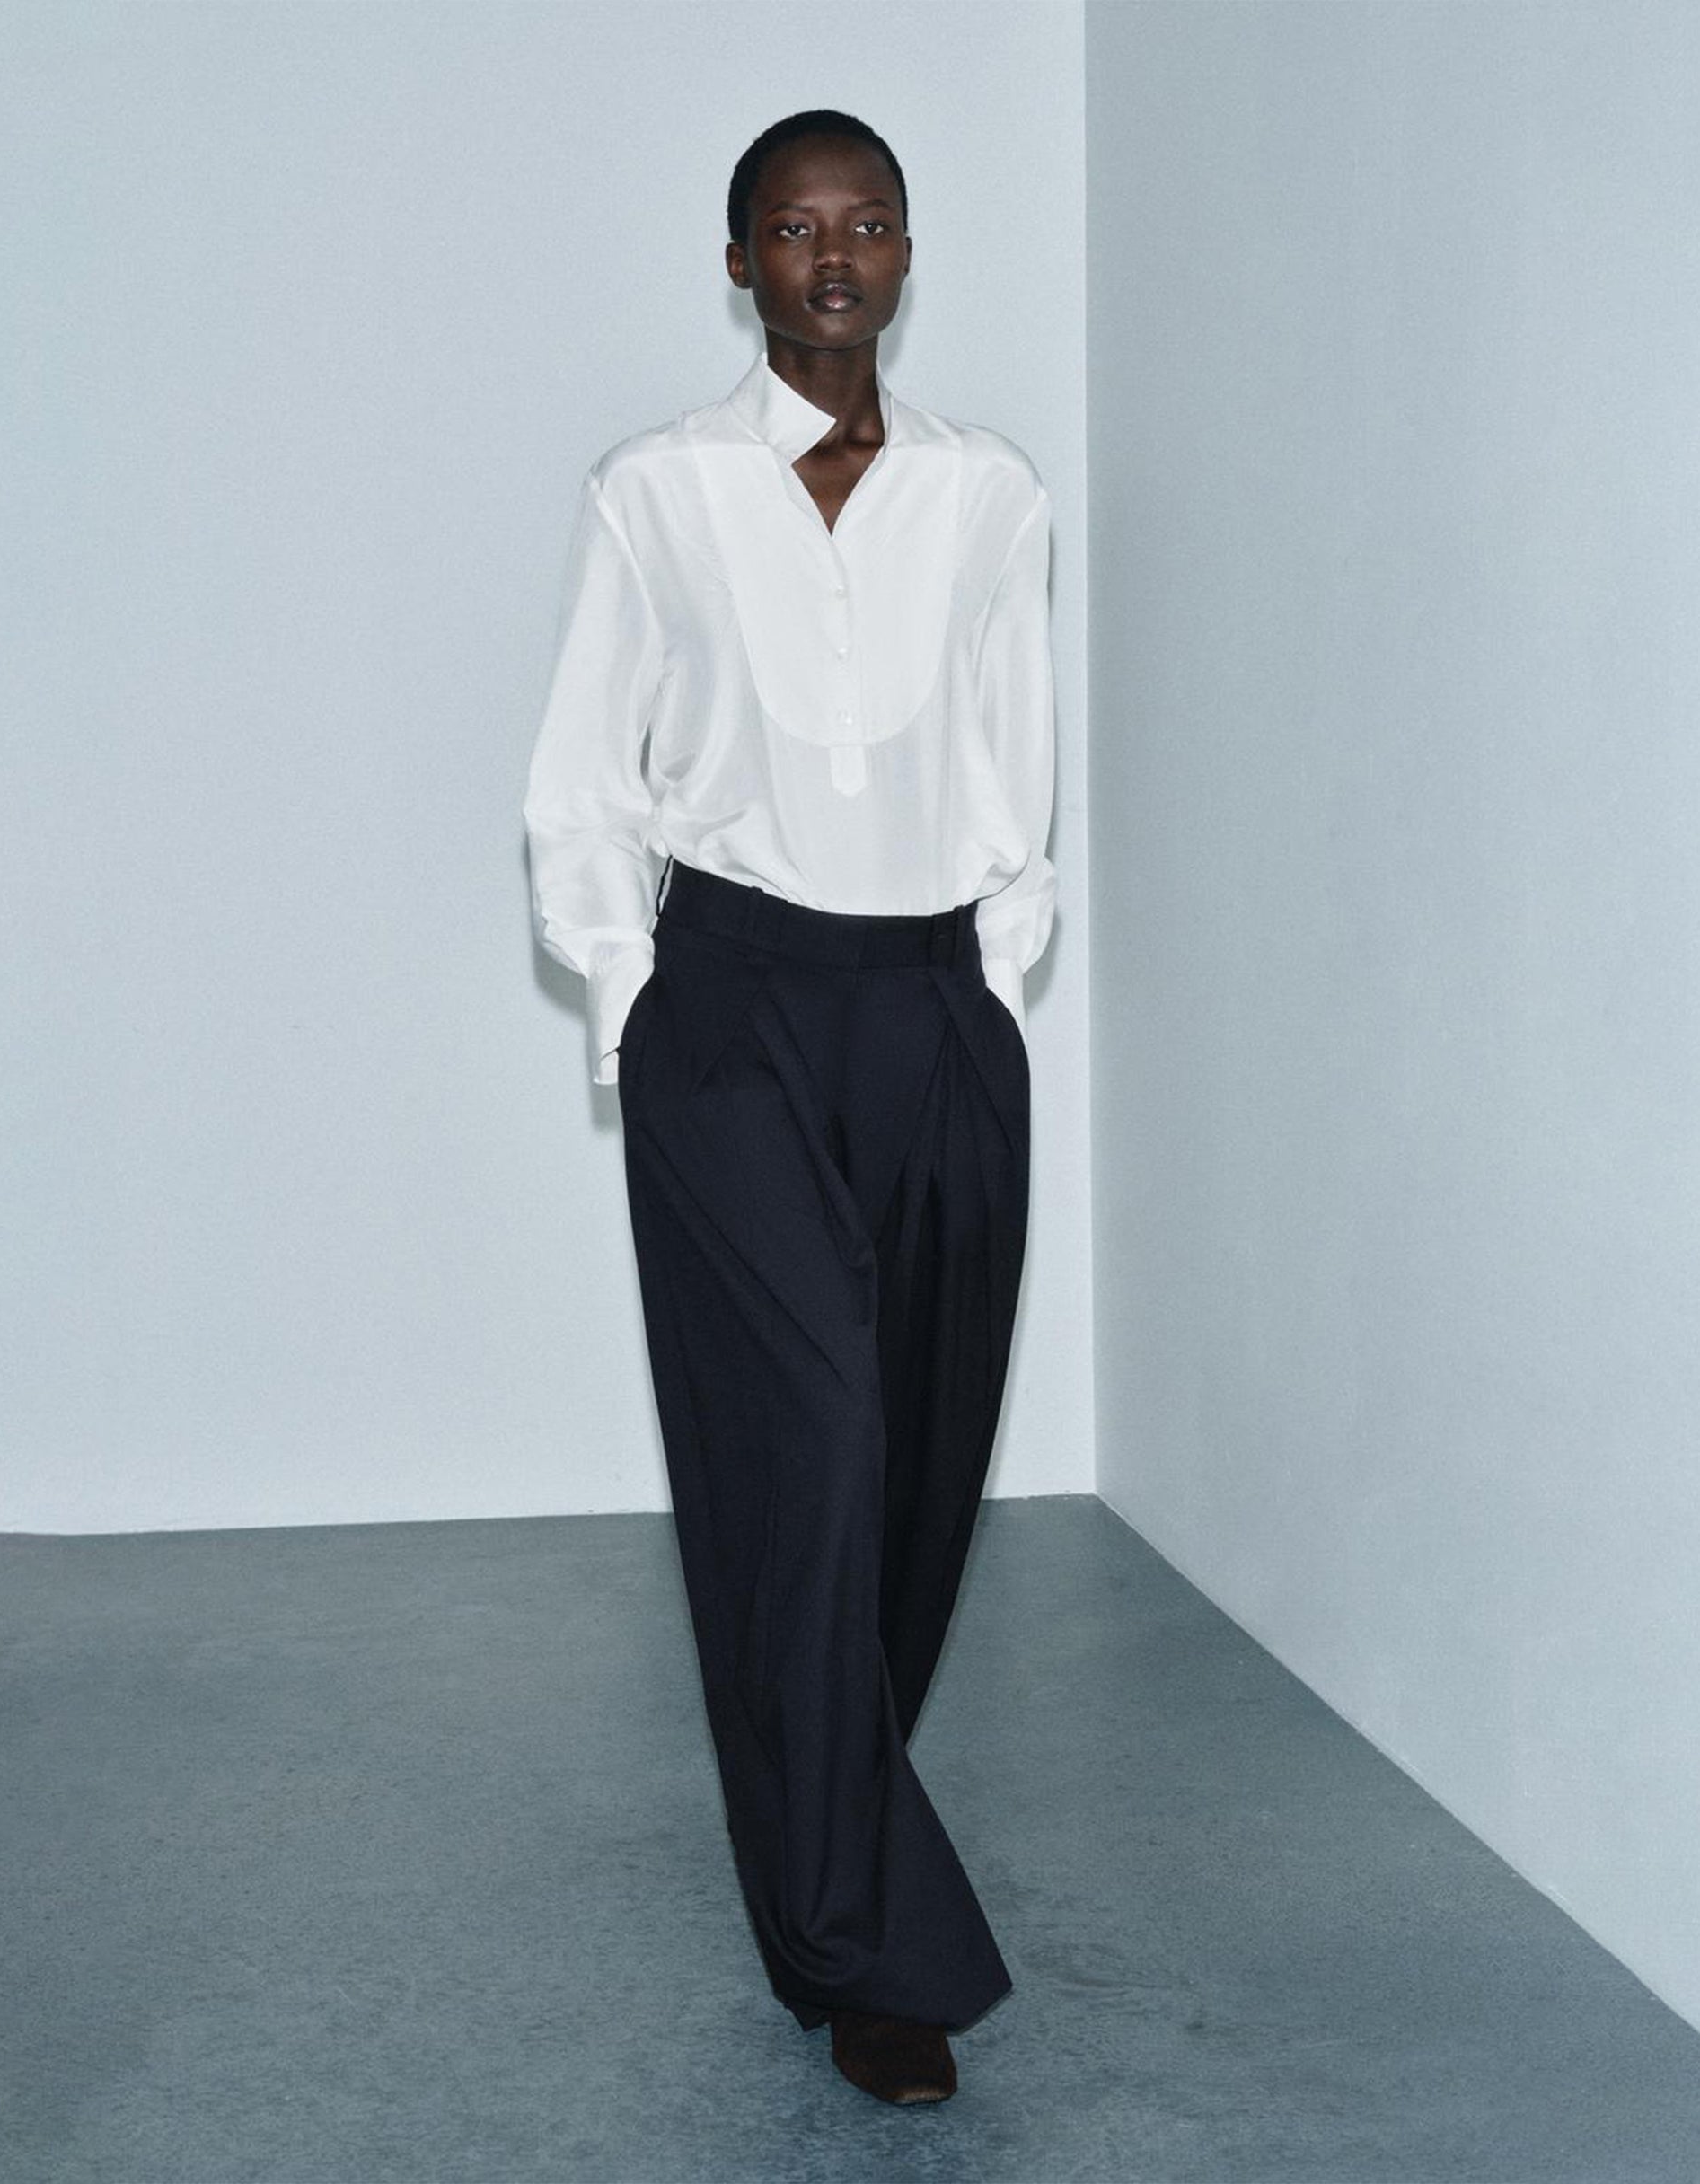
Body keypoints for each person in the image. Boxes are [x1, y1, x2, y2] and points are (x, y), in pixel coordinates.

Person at [522, 109, 1057, 2108]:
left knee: (907, 1473)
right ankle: (863, 1951)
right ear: (737, 259)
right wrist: (636, 1003)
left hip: (929, 1006)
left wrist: (986, 1002)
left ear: (905, 253)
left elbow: (1015, 770)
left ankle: (823, 1811)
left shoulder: (992, 494)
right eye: (792, 225)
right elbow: (583, 778)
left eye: (869, 222)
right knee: (812, 1442)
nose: (834, 255)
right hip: (732, 1009)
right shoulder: (655, 491)